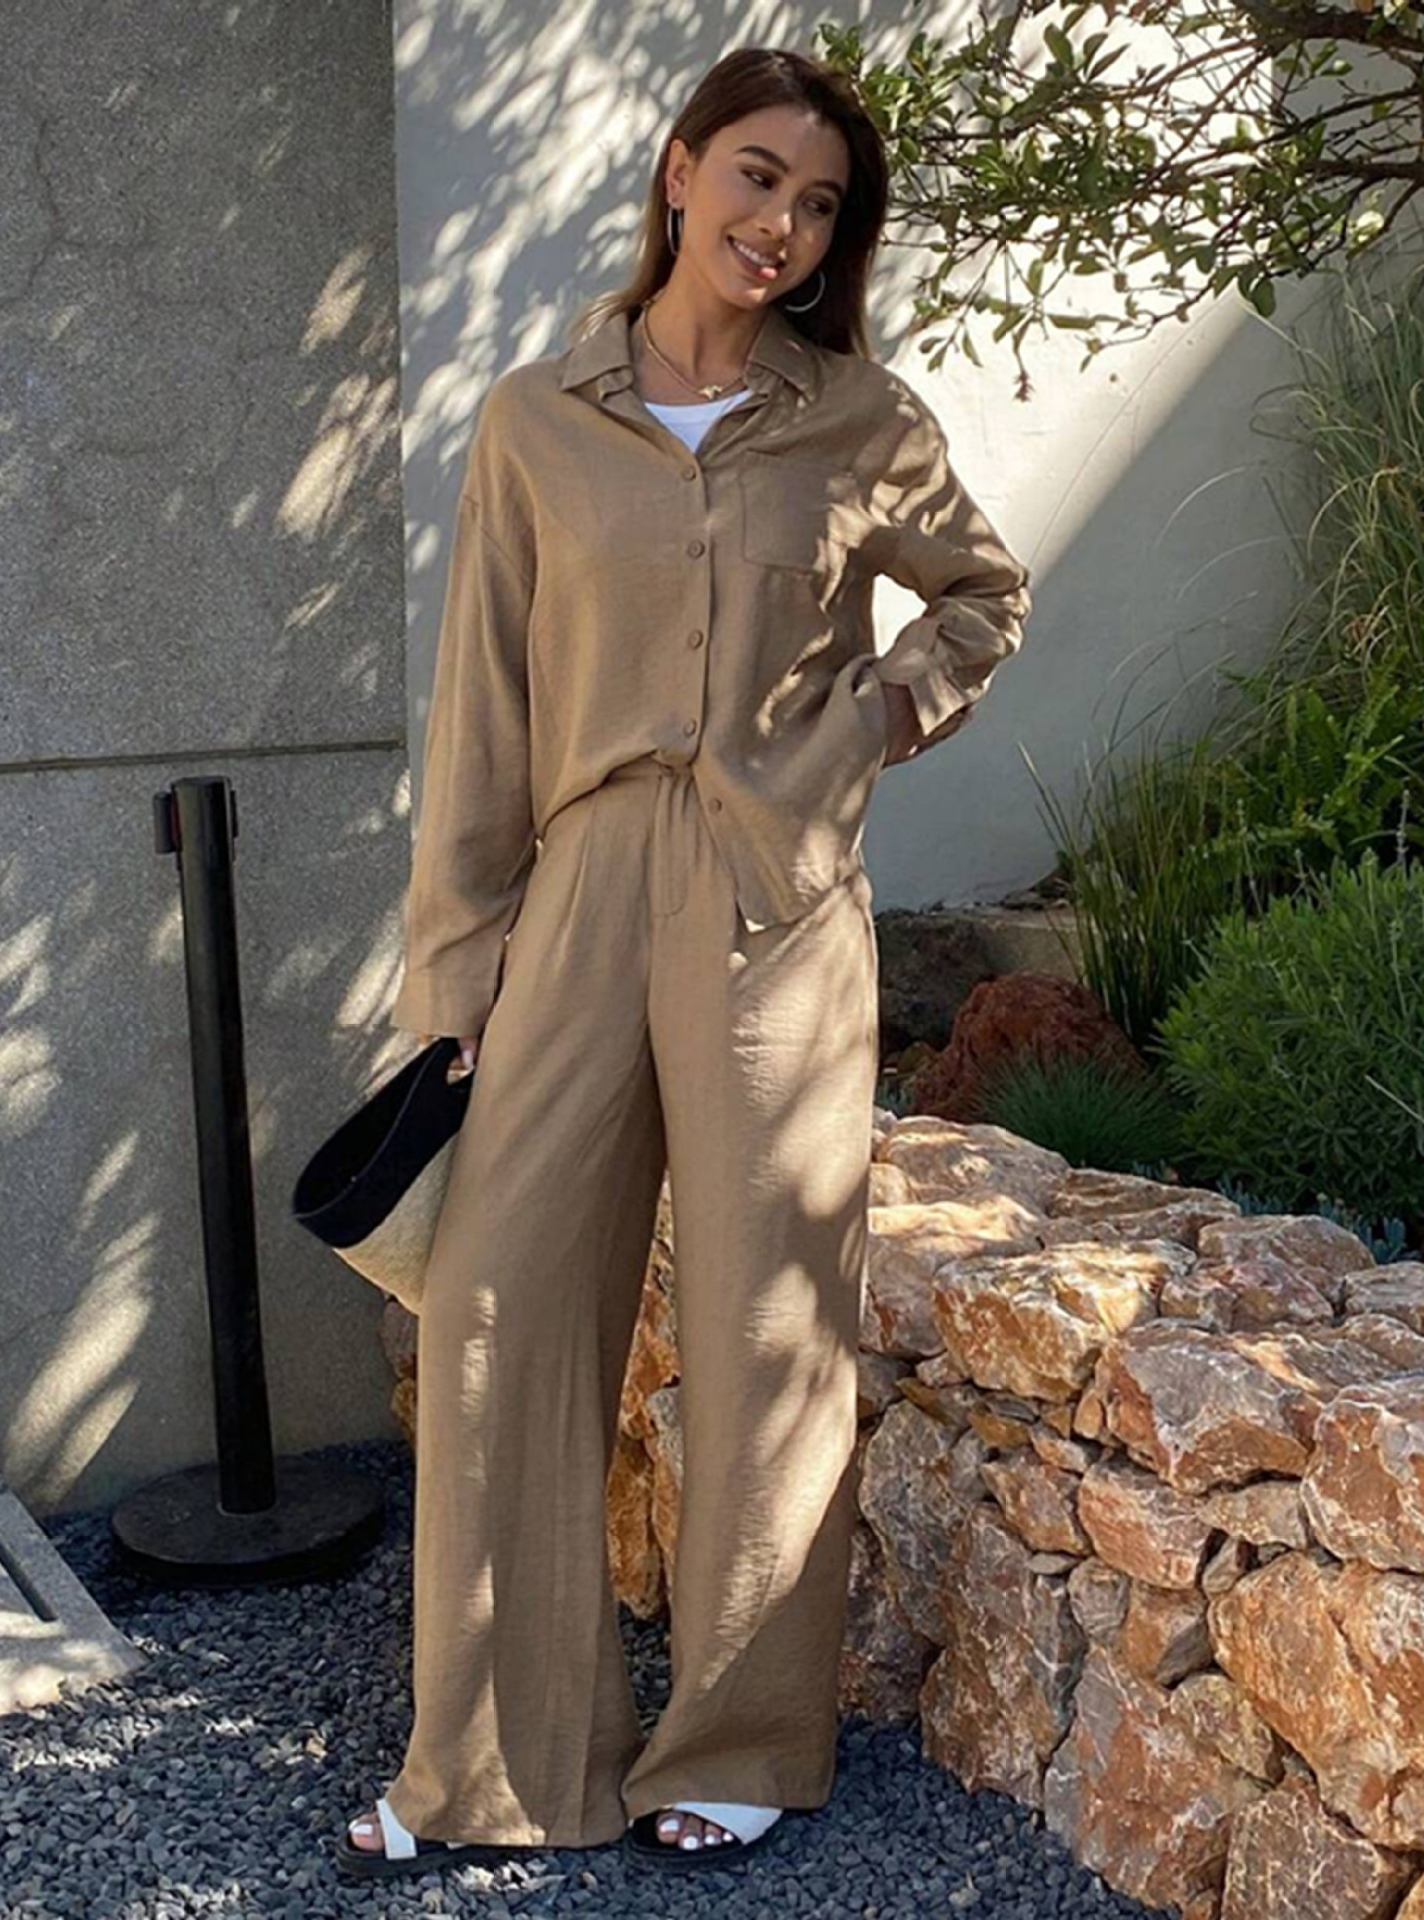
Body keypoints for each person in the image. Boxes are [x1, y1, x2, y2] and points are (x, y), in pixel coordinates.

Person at [337, 42, 1031, 1883]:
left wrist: (877, 716)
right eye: (755, 177)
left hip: (773, 903)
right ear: (676, 169)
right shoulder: (535, 419)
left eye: (817, 204)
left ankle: (736, 1740)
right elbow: (481, 710)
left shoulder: (855, 417)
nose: (780, 224)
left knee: (761, 1319)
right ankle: (488, 1761)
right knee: (493, 1312)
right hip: (575, 888)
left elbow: (985, 593)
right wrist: (454, 969)